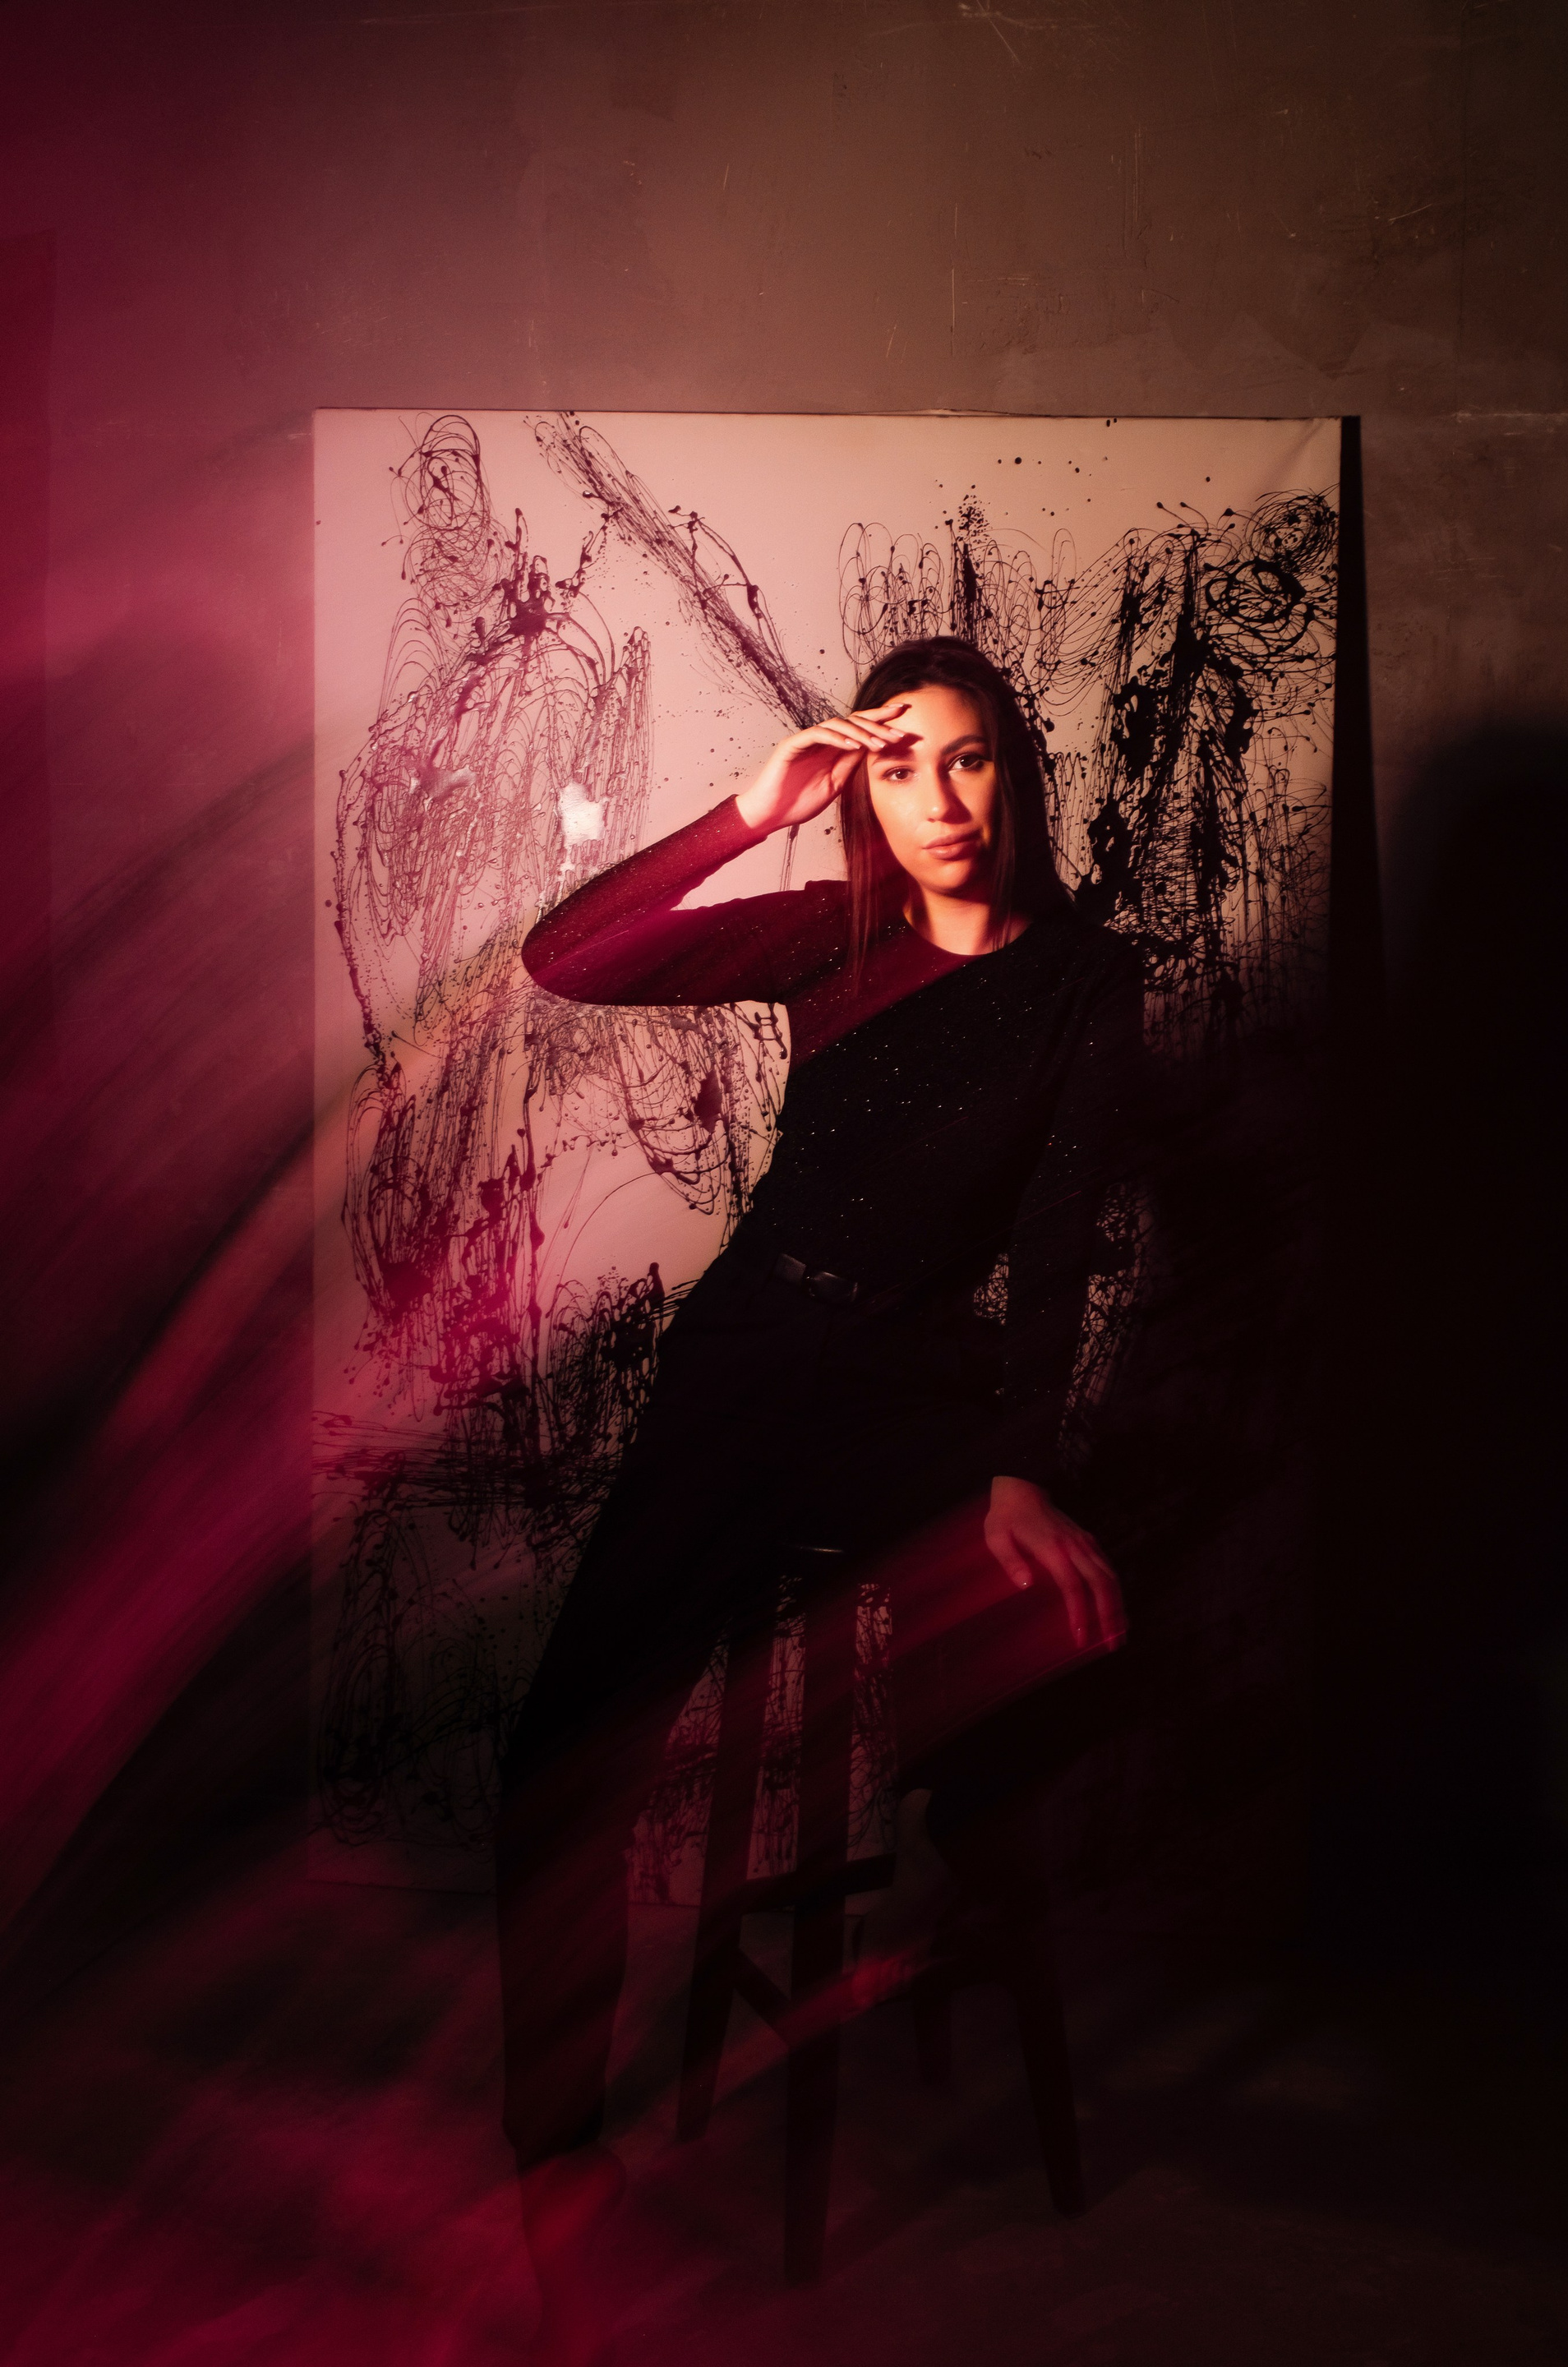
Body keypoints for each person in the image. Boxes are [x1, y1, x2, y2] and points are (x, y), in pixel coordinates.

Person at [495, 635, 1145, 2316]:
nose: (940, 798)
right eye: (900, 765)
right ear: (865, 788)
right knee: (566, 1763)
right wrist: (750, 810)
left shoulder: (1086, 981)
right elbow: (567, 961)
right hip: (745, 1365)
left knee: (1068, 1624)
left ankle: (937, 1857)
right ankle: (557, 2158)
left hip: (910, 1392)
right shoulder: (833, 935)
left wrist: (1020, 1472)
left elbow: (1059, 1241)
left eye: (970, 757)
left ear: (1015, 773)